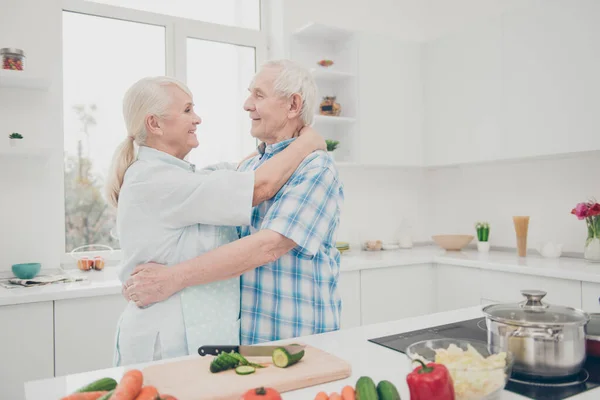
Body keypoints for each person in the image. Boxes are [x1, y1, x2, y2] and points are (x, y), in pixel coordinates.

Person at [108, 75, 326, 366]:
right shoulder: (156, 180)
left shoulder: (180, 176)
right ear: (155, 124)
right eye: (187, 110)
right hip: (166, 341)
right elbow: (259, 186)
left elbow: (243, 170)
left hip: (192, 338)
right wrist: (306, 142)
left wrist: (280, 143)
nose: (197, 118)